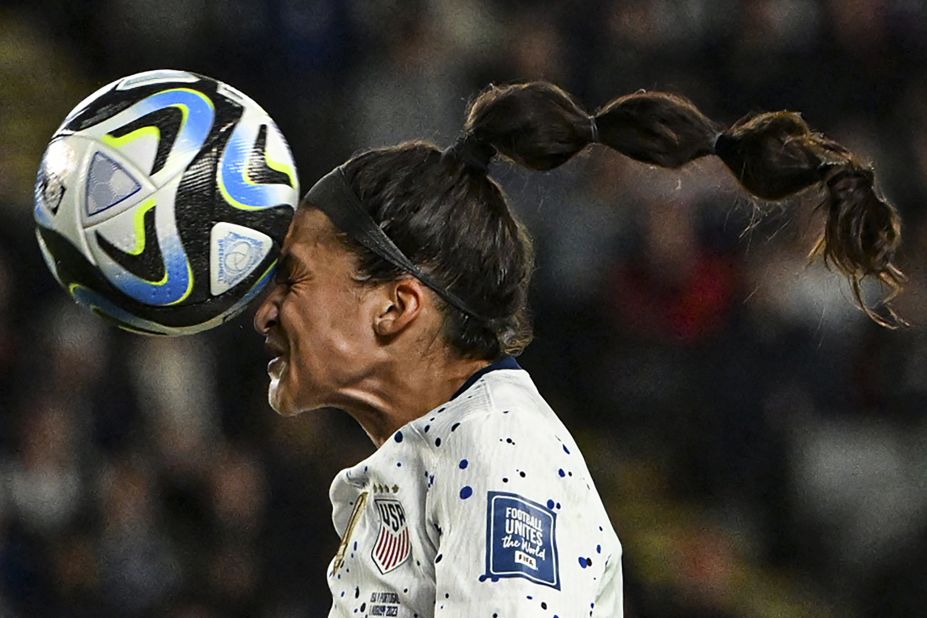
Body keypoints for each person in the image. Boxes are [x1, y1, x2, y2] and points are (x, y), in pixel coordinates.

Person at [252, 81, 903, 617]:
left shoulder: (494, 462)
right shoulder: (435, 460)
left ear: (396, 306)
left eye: (295, 277)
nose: (267, 312)